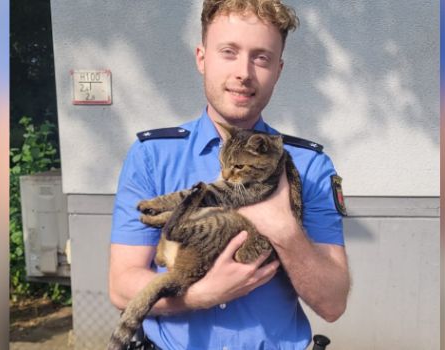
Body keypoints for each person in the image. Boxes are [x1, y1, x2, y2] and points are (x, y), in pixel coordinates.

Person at [108, 1, 350, 348]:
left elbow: (332, 303)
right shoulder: (152, 156)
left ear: (278, 70)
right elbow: (121, 285)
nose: (244, 72)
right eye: (229, 52)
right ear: (202, 58)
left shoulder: (310, 167)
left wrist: (283, 228)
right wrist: (201, 295)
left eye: (261, 57)